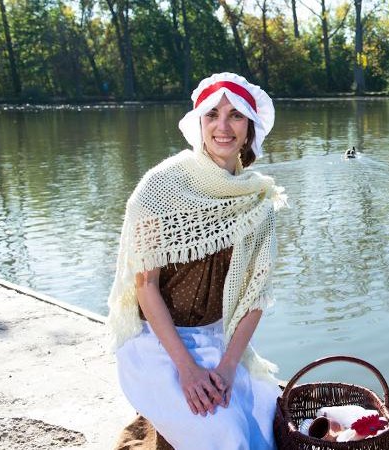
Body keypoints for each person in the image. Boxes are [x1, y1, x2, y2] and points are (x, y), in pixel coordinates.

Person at [107, 72, 288, 450]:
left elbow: (255, 298)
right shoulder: (159, 188)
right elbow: (146, 286)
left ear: (250, 128)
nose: (223, 126)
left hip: (218, 339)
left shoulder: (258, 199)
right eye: (212, 114)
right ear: (199, 123)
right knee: (227, 437)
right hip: (158, 342)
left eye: (236, 115)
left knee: (272, 418)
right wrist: (187, 371)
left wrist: (227, 367)